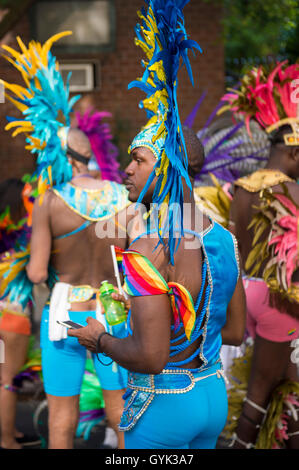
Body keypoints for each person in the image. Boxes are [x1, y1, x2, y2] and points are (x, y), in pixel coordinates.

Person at [68, 0, 246, 449]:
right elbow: (234, 332)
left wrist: (100, 338)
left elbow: (150, 357)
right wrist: (160, 318)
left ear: (167, 169)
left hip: (164, 402)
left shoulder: (151, 245)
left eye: (138, 159)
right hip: (211, 398)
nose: (126, 169)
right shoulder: (223, 238)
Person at [1, 33, 131, 449]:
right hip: (113, 307)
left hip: (65, 309)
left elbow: (37, 272)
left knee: (62, 409)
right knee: (120, 404)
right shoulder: (120, 195)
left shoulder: (49, 202)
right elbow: (135, 257)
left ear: (60, 159)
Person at [223, 62, 299, 449]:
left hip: (246, 293)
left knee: (284, 385)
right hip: (279, 301)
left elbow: (234, 246)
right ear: (293, 151)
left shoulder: (240, 188)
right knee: (262, 390)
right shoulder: (288, 191)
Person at [0, 178, 32, 449]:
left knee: (1, 376)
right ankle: (7, 438)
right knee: (8, 380)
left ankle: (7, 430)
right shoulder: (26, 239)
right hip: (14, 317)